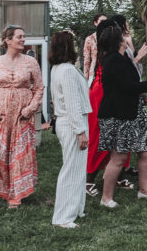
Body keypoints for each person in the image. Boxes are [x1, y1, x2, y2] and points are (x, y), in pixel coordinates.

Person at [0, 25, 47, 209]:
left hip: (22, 115)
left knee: (19, 153)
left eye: (24, 36)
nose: (23, 39)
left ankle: (15, 194)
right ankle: (0, 187)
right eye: (19, 37)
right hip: (1, 115)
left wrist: (30, 108)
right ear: (8, 40)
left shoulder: (31, 62)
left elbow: (38, 88)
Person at [97, 24, 147, 208]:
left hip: (133, 112)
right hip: (119, 115)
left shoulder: (122, 57)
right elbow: (126, 86)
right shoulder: (112, 61)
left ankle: (144, 191)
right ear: (119, 40)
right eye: (125, 35)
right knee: (118, 157)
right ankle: (106, 198)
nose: (128, 37)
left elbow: (130, 81)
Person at [86, 19, 133, 197]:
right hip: (101, 95)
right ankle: (89, 180)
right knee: (100, 138)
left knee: (119, 138)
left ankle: (119, 175)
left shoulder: (115, 49)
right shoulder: (107, 52)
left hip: (113, 94)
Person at [49, 31, 90, 228]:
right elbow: (72, 103)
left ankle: (76, 208)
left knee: (77, 168)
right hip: (73, 123)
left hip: (68, 122)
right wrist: (80, 132)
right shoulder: (66, 70)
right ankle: (63, 218)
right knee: (71, 169)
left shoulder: (57, 68)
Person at [83, 14, 107, 86]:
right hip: (94, 74)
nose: (104, 23)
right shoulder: (90, 39)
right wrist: (86, 80)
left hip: (109, 71)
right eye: (102, 21)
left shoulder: (111, 37)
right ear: (95, 23)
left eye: (106, 21)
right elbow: (86, 60)